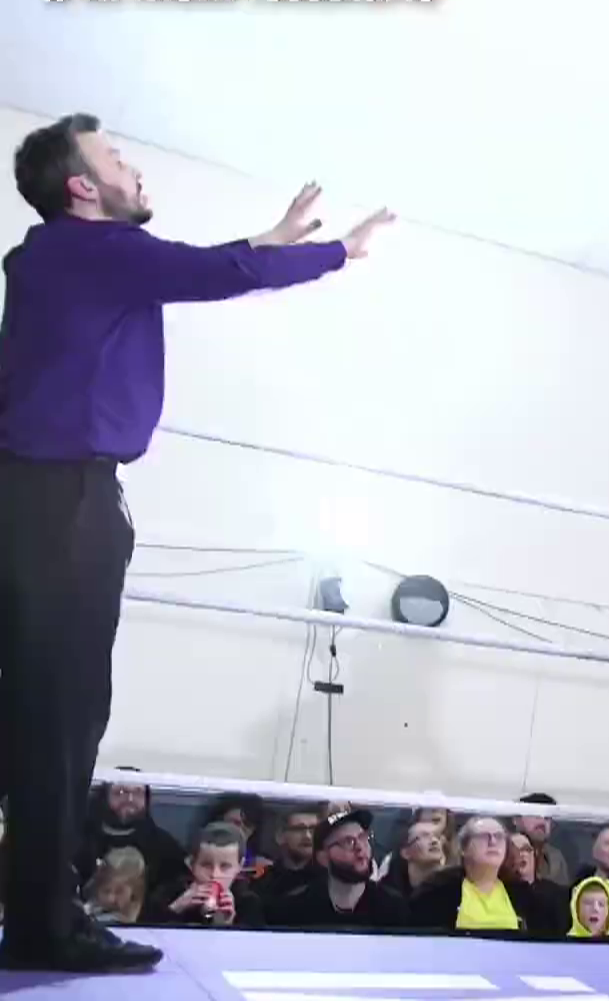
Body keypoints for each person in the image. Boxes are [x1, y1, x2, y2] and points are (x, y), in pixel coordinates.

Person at [0, 115, 392, 972]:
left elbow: (208, 262)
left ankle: (37, 916)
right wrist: (338, 253)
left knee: (40, 715)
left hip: (44, 499)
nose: (133, 170)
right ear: (81, 187)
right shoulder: (89, 249)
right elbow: (217, 271)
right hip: (60, 502)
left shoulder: (62, 260)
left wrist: (272, 238)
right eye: (116, 160)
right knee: (59, 720)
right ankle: (43, 925)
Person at [265, 809, 409, 929]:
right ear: (323, 857)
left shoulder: (393, 907)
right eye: (348, 842)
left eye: (363, 837)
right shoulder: (294, 909)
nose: (360, 847)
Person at [411, 816, 556, 935]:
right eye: (483, 836)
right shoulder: (438, 890)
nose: (493, 842)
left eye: (499, 837)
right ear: (464, 848)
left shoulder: (524, 895)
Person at [144, 822, 264, 928]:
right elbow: (145, 932)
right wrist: (176, 908)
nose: (215, 875)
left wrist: (226, 925)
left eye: (225, 866)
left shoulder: (248, 904)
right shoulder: (168, 894)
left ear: (240, 866)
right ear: (191, 864)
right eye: (206, 865)